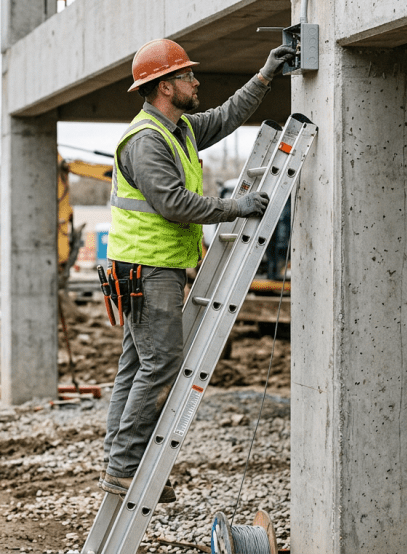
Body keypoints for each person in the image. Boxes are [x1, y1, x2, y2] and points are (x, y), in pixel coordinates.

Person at [99, 39, 294, 503]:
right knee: (161, 363)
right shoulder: (148, 140)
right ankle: (125, 465)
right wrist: (235, 207)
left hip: (151, 265)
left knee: (137, 365)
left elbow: (226, 116)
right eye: (187, 76)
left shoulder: (178, 128)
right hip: (150, 267)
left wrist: (265, 75)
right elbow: (172, 203)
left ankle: (119, 462)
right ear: (165, 86)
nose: (195, 81)